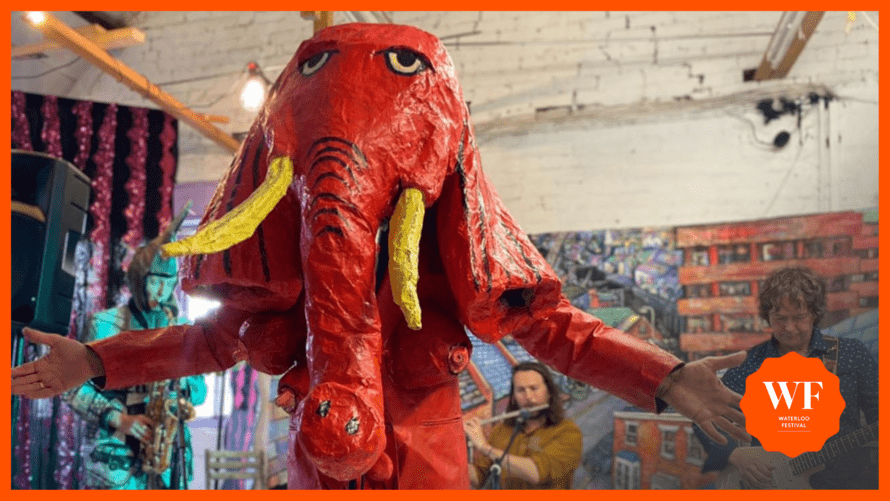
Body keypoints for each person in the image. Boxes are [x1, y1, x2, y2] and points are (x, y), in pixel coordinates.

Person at [694, 266, 879, 489]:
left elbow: (878, 414)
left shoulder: (851, 354)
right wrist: (734, 454)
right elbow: (704, 413)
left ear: (814, 314)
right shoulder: (750, 364)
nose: (789, 328)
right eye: (780, 318)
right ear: (768, 317)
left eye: (799, 317)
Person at [63, 212, 207, 489]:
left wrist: (186, 372)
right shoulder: (104, 325)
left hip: (168, 463)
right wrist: (118, 419)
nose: (163, 292)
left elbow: (199, 395)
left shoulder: (180, 328)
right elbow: (72, 387)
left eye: (170, 282)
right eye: (155, 281)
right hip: (116, 459)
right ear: (139, 279)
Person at [464, 362, 582, 489]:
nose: (529, 397)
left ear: (549, 392)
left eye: (534, 388)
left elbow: (536, 473)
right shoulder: (501, 429)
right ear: (514, 397)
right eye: (521, 390)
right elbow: (481, 476)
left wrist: (485, 447)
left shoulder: (569, 432)